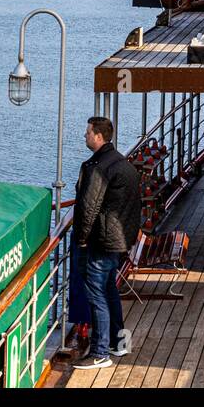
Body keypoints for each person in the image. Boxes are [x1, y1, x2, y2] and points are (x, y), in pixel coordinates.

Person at [72, 115, 142, 370]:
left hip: (100, 242)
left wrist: (81, 240)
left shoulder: (99, 167)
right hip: (118, 240)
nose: (85, 136)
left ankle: (100, 352)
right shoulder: (121, 163)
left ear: (99, 136)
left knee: (97, 295)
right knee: (109, 291)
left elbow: (88, 208)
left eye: (88, 132)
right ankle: (118, 342)